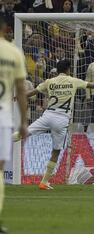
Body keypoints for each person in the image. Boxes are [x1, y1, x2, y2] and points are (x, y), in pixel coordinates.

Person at [13, 59, 94, 190]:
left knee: (23, 133)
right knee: (55, 151)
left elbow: (32, 93)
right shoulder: (73, 80)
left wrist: (18, 96)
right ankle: (44, 182)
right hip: (62, 119)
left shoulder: (50, 81)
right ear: (68, 70)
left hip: (47, 115)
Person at [0, 15, 28, 233]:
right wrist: (24, 121)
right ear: (7, 29)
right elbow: (21, 90)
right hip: (4, 117)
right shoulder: (13, 53)